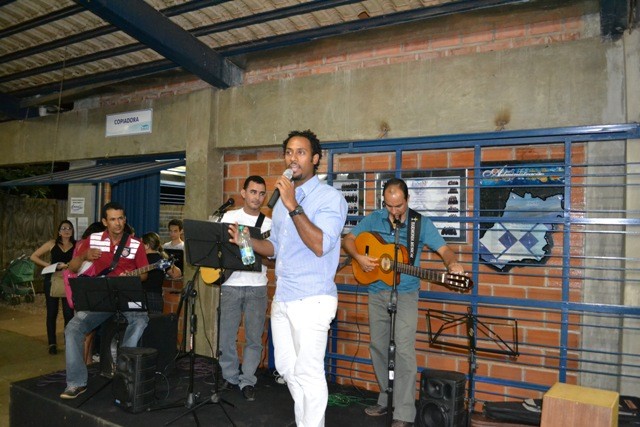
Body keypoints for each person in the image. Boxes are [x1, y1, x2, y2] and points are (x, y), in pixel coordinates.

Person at [228, 130, 347, 426]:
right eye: (289, 152)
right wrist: (247, 241)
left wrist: (293, 204)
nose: (293, 158)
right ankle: (306, 420)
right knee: (286, 368)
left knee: (309, 371)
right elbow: (276, 248)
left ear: (315, 159)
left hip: (314, 298)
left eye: (301, 152)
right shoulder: (281, 203)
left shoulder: (330, 198)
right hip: (283, 296)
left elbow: (320, 244)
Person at [341, 178, 466, 427]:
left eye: (398, 206)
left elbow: (444, 250)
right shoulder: (374, 218)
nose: (394, 211)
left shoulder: (420, 224)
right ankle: (386, 398)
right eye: (389, 205)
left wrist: (452, 264)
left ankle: (404, 412)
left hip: (407, 294)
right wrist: (359, 257)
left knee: (404, 351)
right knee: (378, 346)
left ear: (407, 200)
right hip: (376, 291)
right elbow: (349, 240)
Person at [60, 202, 150, 399]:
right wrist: (84, 255)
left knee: (140, 320)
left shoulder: (136, 244)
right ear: (104, 222)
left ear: (125, 219)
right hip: (102, 297)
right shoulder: (93, 239)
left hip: (127, 296)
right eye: (113, 219)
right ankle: (76, 383)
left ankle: (123, 370)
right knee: (73, 328)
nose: (118, 223)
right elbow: (72, 267)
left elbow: (144, 275)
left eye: (121, 218)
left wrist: (132, 277)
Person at [218, 175, 272, 401]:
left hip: (257, 287)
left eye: (261, 193)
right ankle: (229, 376)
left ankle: (248, 380)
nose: (257, 197)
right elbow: (217, 249)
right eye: (253, 192)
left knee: (253, 338)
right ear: (243, 193)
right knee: (226, 336)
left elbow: (272, 258)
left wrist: (256, 249)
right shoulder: (228, 217)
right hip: (231, 285)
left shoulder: (268, 224)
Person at [30, 220, 76, 355]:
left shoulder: (76, 245)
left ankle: (68, 342)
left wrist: (70, 266)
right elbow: (33, 256)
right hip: (52, 280)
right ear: (59, 231)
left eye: (69, 228)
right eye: (63, 228)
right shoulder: (52, 243)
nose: (66, 230)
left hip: (68, 282)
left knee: (68, 313)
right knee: (52, 312)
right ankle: (52, 343)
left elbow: (81, 260)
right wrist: (50, 266)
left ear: (72, 231)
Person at [141, 231, 182, 313]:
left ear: (147, 246)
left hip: (141, 296)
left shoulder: (140, 259)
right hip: (155, 297)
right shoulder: (160, 260)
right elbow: (177, 274)